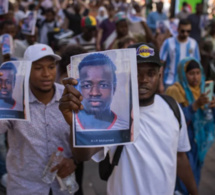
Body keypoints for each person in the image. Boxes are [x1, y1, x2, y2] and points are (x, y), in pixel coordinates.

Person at [59, 42, 198, 195]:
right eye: (137, 73)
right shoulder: (113, 113)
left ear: (160, 75)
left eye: (150, 73)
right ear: (126, 75)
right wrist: (75, 125)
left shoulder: (172, 108)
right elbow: (83, 155)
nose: (144, 79)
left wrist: (194, 191)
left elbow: (180, 156)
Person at [0, 44, 77, 195]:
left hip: (63, 187)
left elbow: (84, 135)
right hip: (24, 187)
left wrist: (75, 161)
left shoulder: (68, 97)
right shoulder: (15, 99)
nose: (46, 74)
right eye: (38, 68)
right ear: (26, 70)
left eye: (51, 66)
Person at [166, 57, 215, 194]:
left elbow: (209, 118)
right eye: (191, 73)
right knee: (183, 178)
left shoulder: (203, 90)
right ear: (183, 74)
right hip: (182, 143)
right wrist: (195, 105)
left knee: (195, 174)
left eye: (198, 73)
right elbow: (175, 121)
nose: (195, 77)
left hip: (198, 142)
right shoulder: (175, 91)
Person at [74, 53, 128, 130]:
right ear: (79, 88)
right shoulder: (69, 122)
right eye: (87, 86)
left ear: (114, 88)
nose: (95, 93)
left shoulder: (125, 128)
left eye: (103, 85)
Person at [160, 19, 200, 89]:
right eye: (183, 31)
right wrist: (160, 84)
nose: (185, 33)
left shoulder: (194, 44)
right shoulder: (168, 43)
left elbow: (197, 65)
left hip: (187, 84)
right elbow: (161, 64)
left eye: (188, 31)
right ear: (178, 29)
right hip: (170, 82)